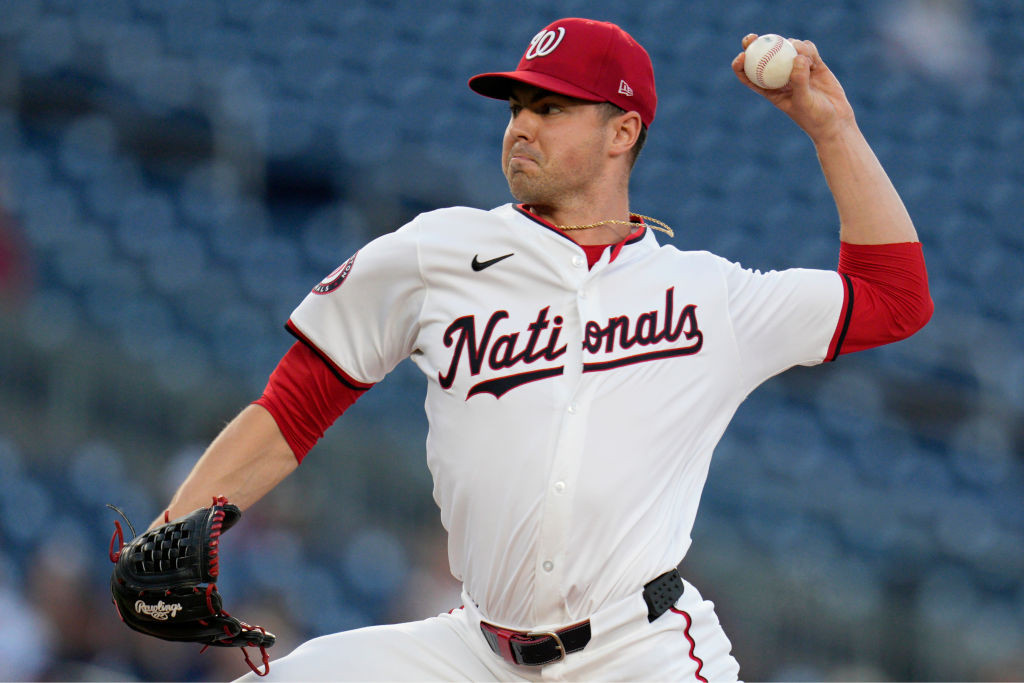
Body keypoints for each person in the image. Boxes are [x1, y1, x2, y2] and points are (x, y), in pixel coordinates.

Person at [154, 18, 932, 681]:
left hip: (638, 650)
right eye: (518, 104)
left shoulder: (709, 296)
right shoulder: (436, 252)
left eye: (551, 106)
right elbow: (296, 403)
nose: (522, 123)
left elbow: (896, 298)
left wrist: (833, 126)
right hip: (474, 650)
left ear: (623, 130)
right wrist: (178, 525)